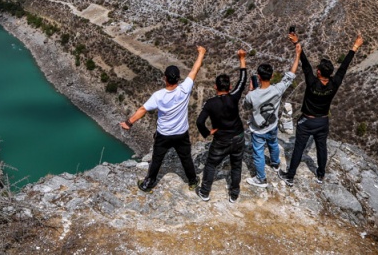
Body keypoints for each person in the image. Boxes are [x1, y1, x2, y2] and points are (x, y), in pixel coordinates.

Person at [279, 32, 364, 186]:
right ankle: (320, 175)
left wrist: (296, 43)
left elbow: (304, 64)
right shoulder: (334, 83)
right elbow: (344, 67)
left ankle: (290, 176)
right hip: (323, 121)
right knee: (321, 148)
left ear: (318, 72)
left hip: (306, 121)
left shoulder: (312, 82)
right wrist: (355, 47)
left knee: (299, 148)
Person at [120, 46, 207, 192]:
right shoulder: (185, 88)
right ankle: (192, 182)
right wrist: (201, 53)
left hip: (164, 135)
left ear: (165, 78)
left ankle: (148, 184)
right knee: (186, 158)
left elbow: (142, 109)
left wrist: (129, 123)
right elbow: (194, 70)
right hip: (181, 133)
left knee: (157, 159)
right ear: (178, 79)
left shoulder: (158, 96)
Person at [194, 49, 250, 202]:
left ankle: (205, 192)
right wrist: (242, 58)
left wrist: (207, 133)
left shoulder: (210, 104)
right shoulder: (234, 97)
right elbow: (243, 80)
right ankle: (234, 194)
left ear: (215, 87)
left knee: (211, 165)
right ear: (229, 87)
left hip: (221, 140)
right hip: (238, 136)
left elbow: (199, 122)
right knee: (236, 165)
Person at [245, 39, 301, 188]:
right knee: (273, 144)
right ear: (271, 76)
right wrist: (297, 55)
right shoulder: (278, 89)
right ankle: (276, 164)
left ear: (258, 76)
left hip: (258, 129)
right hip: (272, 126)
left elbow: (246, 107)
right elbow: (291, 75)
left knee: (258, 153)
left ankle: (261, 179)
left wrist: (251, 90)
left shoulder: (252, 95)